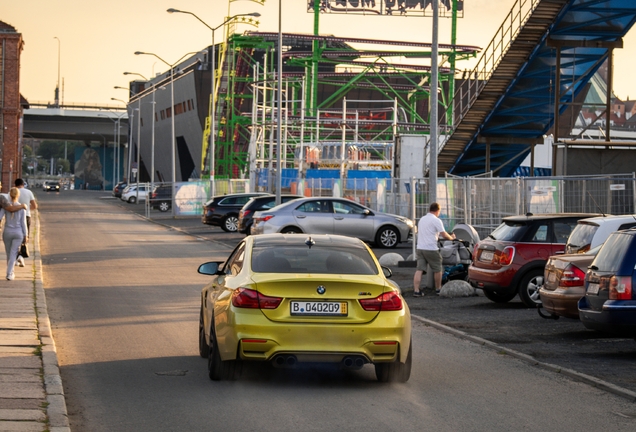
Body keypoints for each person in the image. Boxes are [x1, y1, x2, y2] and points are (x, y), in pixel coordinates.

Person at [413, 202, 455, 297]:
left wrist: (436, 237)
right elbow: (444, 234)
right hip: (431, 248)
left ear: (429, 209)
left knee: (419, 269)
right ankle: (438, 289)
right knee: (437, 268)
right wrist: (452, 238)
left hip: (420, 247)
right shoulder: (436, 220)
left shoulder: (422, 219)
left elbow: (427, 233)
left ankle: (416, 290)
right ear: (438, 211)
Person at [1, 188, 28, 281]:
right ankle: (9, 273)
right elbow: (23, 223)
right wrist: (26, 235)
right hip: (18, 232)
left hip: (7, 232)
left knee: (9, 253)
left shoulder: (6, 207)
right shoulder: (22, 208)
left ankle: (10, 272)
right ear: (18, 195)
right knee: (13, 253)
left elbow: (0, 217)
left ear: (9, 195)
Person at [14, 178, 37, 267]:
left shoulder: (12, 192)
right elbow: (34, 206)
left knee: (15, 237)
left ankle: (17, 256)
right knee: (25, 236)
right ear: (23, 184)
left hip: (14, 216)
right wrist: (27, 210)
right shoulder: (29, 192)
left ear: (15, 184)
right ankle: (21, 256)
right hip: (26, 216)